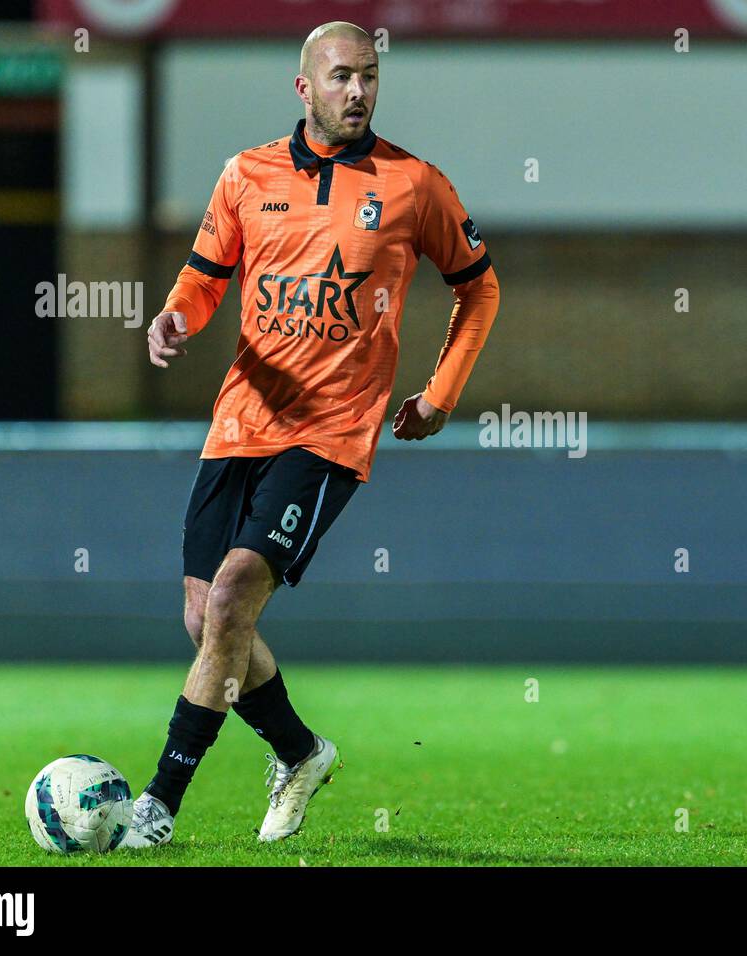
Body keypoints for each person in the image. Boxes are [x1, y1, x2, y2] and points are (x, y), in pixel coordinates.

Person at [122, 20, 499, 847]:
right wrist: (175, 318)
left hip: (330, 433)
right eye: (340, 77)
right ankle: (299, 752)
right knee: (205, 621)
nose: (357, 91)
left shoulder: (413, 185)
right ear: (305, 88)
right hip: (239, 421)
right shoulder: (246, 174)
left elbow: (480, 289)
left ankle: (157, 804)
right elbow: (204, 277)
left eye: (369, 76)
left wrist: (439, 394)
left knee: (230, 600)